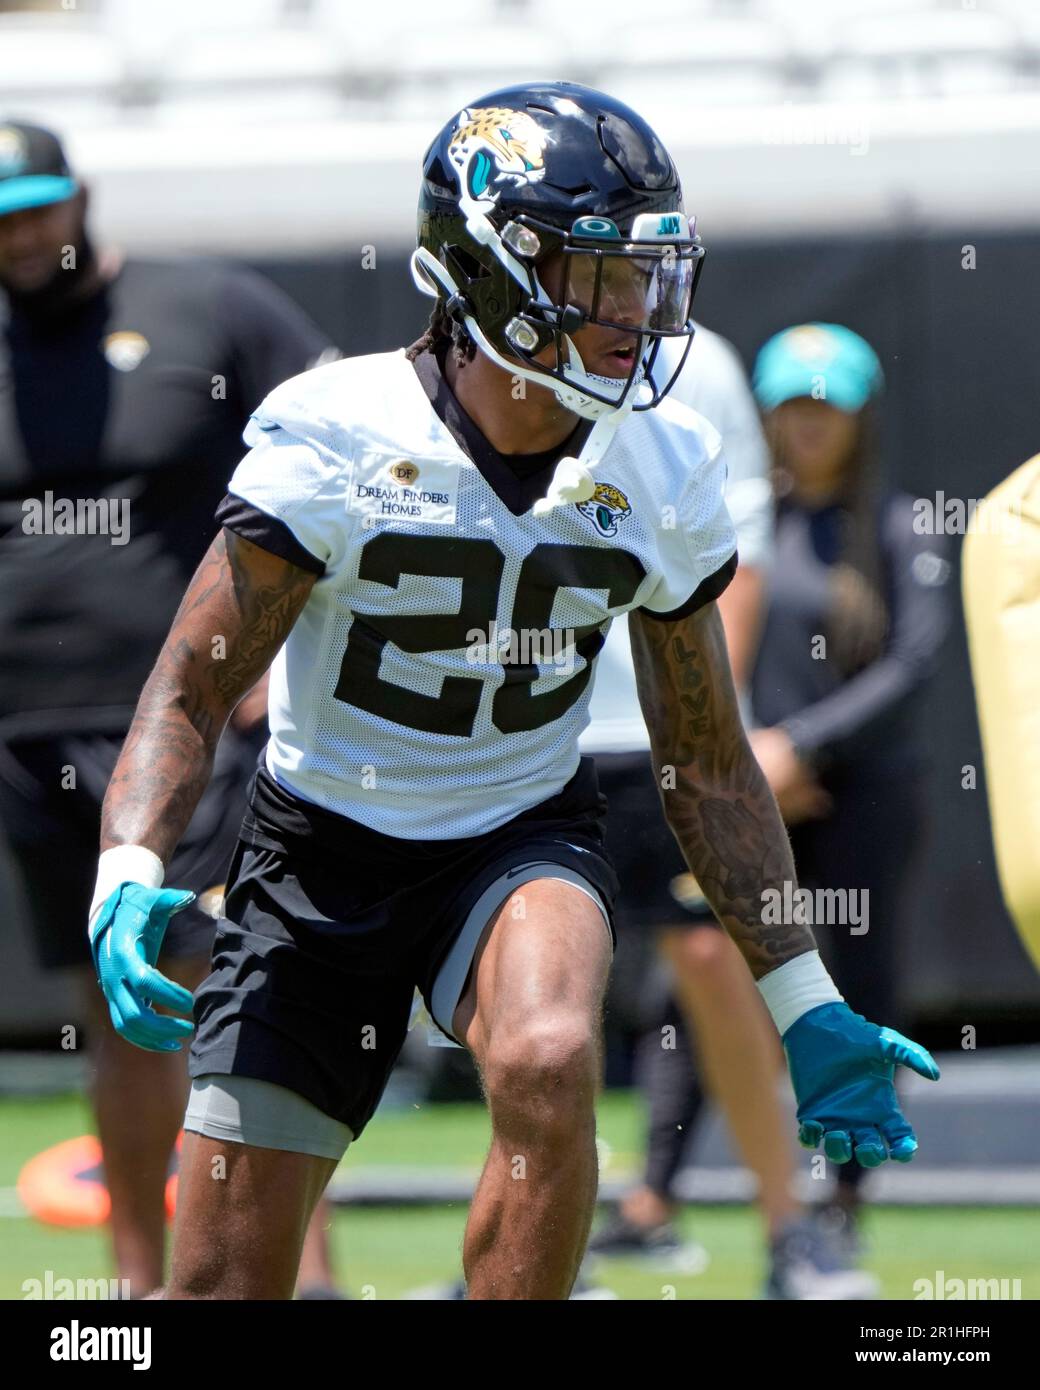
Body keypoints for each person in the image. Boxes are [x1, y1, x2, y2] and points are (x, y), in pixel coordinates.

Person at [88, 84, 939, 1301]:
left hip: (519, 833)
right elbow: (191, 685)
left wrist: (800, 993)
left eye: (649, 274)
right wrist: (129, 860)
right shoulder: (338, 432)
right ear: (487, 268)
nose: (635, 313)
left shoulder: (661, 459)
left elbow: (700, 757)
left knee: (545, 1052)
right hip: (317, 850)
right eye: (600, 274)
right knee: (218, 1288)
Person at [0, 119, 340, 1297]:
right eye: (3, 215)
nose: (25, 232)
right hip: (26, 735)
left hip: (182, 720)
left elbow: (343, 449)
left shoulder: (209, 310)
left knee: (227, 980)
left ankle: (299, 1276)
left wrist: (273, 652)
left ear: (81, 200)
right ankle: (141, 1292)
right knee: (121, 1002)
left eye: (40, 205)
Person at [583, 325, 878, 1297]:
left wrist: (708, 736)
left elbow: (735, 550)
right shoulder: (485, 350)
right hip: (533, 730)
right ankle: (536, 1237)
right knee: (536, 982)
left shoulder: (693, 363)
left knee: (715, 960)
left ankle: (789, 1229)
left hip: (664, 735)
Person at [747, 322, 953, 1246]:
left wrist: (802, 747)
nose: (811, 425)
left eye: (828, 408)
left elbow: (912, 664)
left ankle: (845, 1197)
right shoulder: (746, 523)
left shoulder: (900, 524)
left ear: (862, 418)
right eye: (795, 406)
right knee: (705, 977)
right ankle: (655, 1195)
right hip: (753, 793)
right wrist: (753, 760)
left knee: (860, 991)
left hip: (863, 799)